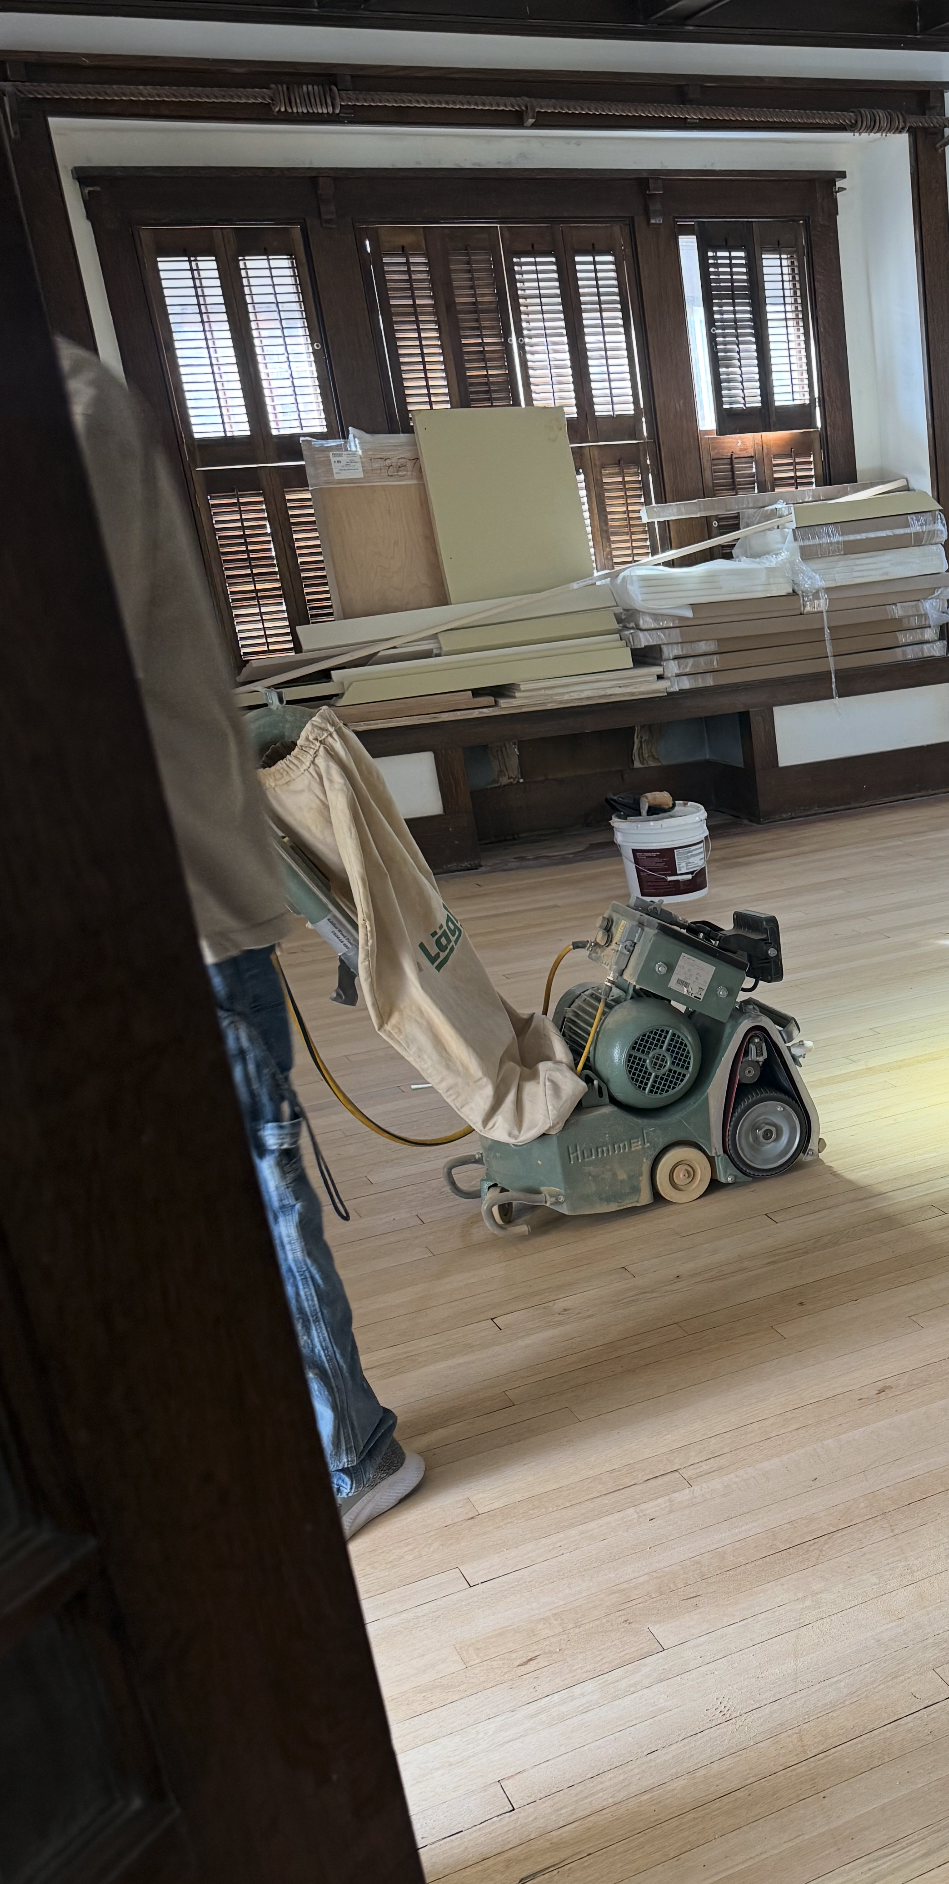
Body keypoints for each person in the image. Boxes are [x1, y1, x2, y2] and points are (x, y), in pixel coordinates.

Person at [60, 340, 423, 1539]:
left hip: (172, 910)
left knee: (253, 1190)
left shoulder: (55, 406)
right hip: (144, 899)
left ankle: (346, 1451)